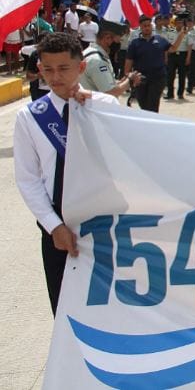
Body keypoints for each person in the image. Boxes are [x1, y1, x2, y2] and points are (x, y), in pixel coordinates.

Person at [14, 32, 119, 316]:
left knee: (109, 307)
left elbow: (122, 160)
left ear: (81, 67)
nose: (55, 77)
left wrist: (92, 112)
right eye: (48, 69)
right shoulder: (31, 116)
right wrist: (53, 226)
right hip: (59, 224)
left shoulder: (105, 106)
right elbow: (28, 179)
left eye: (63, 68)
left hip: (104, 219)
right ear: (39, 68)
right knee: (63, 307)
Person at [125, 15, 184, 112]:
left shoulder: (160, 39)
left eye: (148, 25)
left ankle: (153, 120)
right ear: (140, 27)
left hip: (158, 78)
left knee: (152, 105)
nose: (147, 28)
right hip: (141, 79)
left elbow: (172, 49)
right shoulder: (134, 43)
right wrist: (129, 76)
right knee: (143, 106)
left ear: (151, 26)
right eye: (144, 26)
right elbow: (128, 65)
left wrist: (181, 35)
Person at [79, 26, 142, 97]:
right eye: (119, 41)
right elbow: (110, 92)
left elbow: (102, 83)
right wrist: (129, 81)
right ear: (107, 38)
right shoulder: (97, 61)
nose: (119, 44)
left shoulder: (90, 52)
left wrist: (122, 82)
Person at [165, 17, 192, 100]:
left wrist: (188, 57)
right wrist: (166, 57)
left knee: (182, 76)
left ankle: (180, 94)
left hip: (182, 55)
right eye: (178, 22)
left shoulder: (187, 33)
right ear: (175, 23)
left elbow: (189, 46)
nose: (179, 24)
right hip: (172, 55)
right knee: (170, 75)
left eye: (181, 22)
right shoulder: (170, 32)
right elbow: (166, 46)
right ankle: (170, 94)